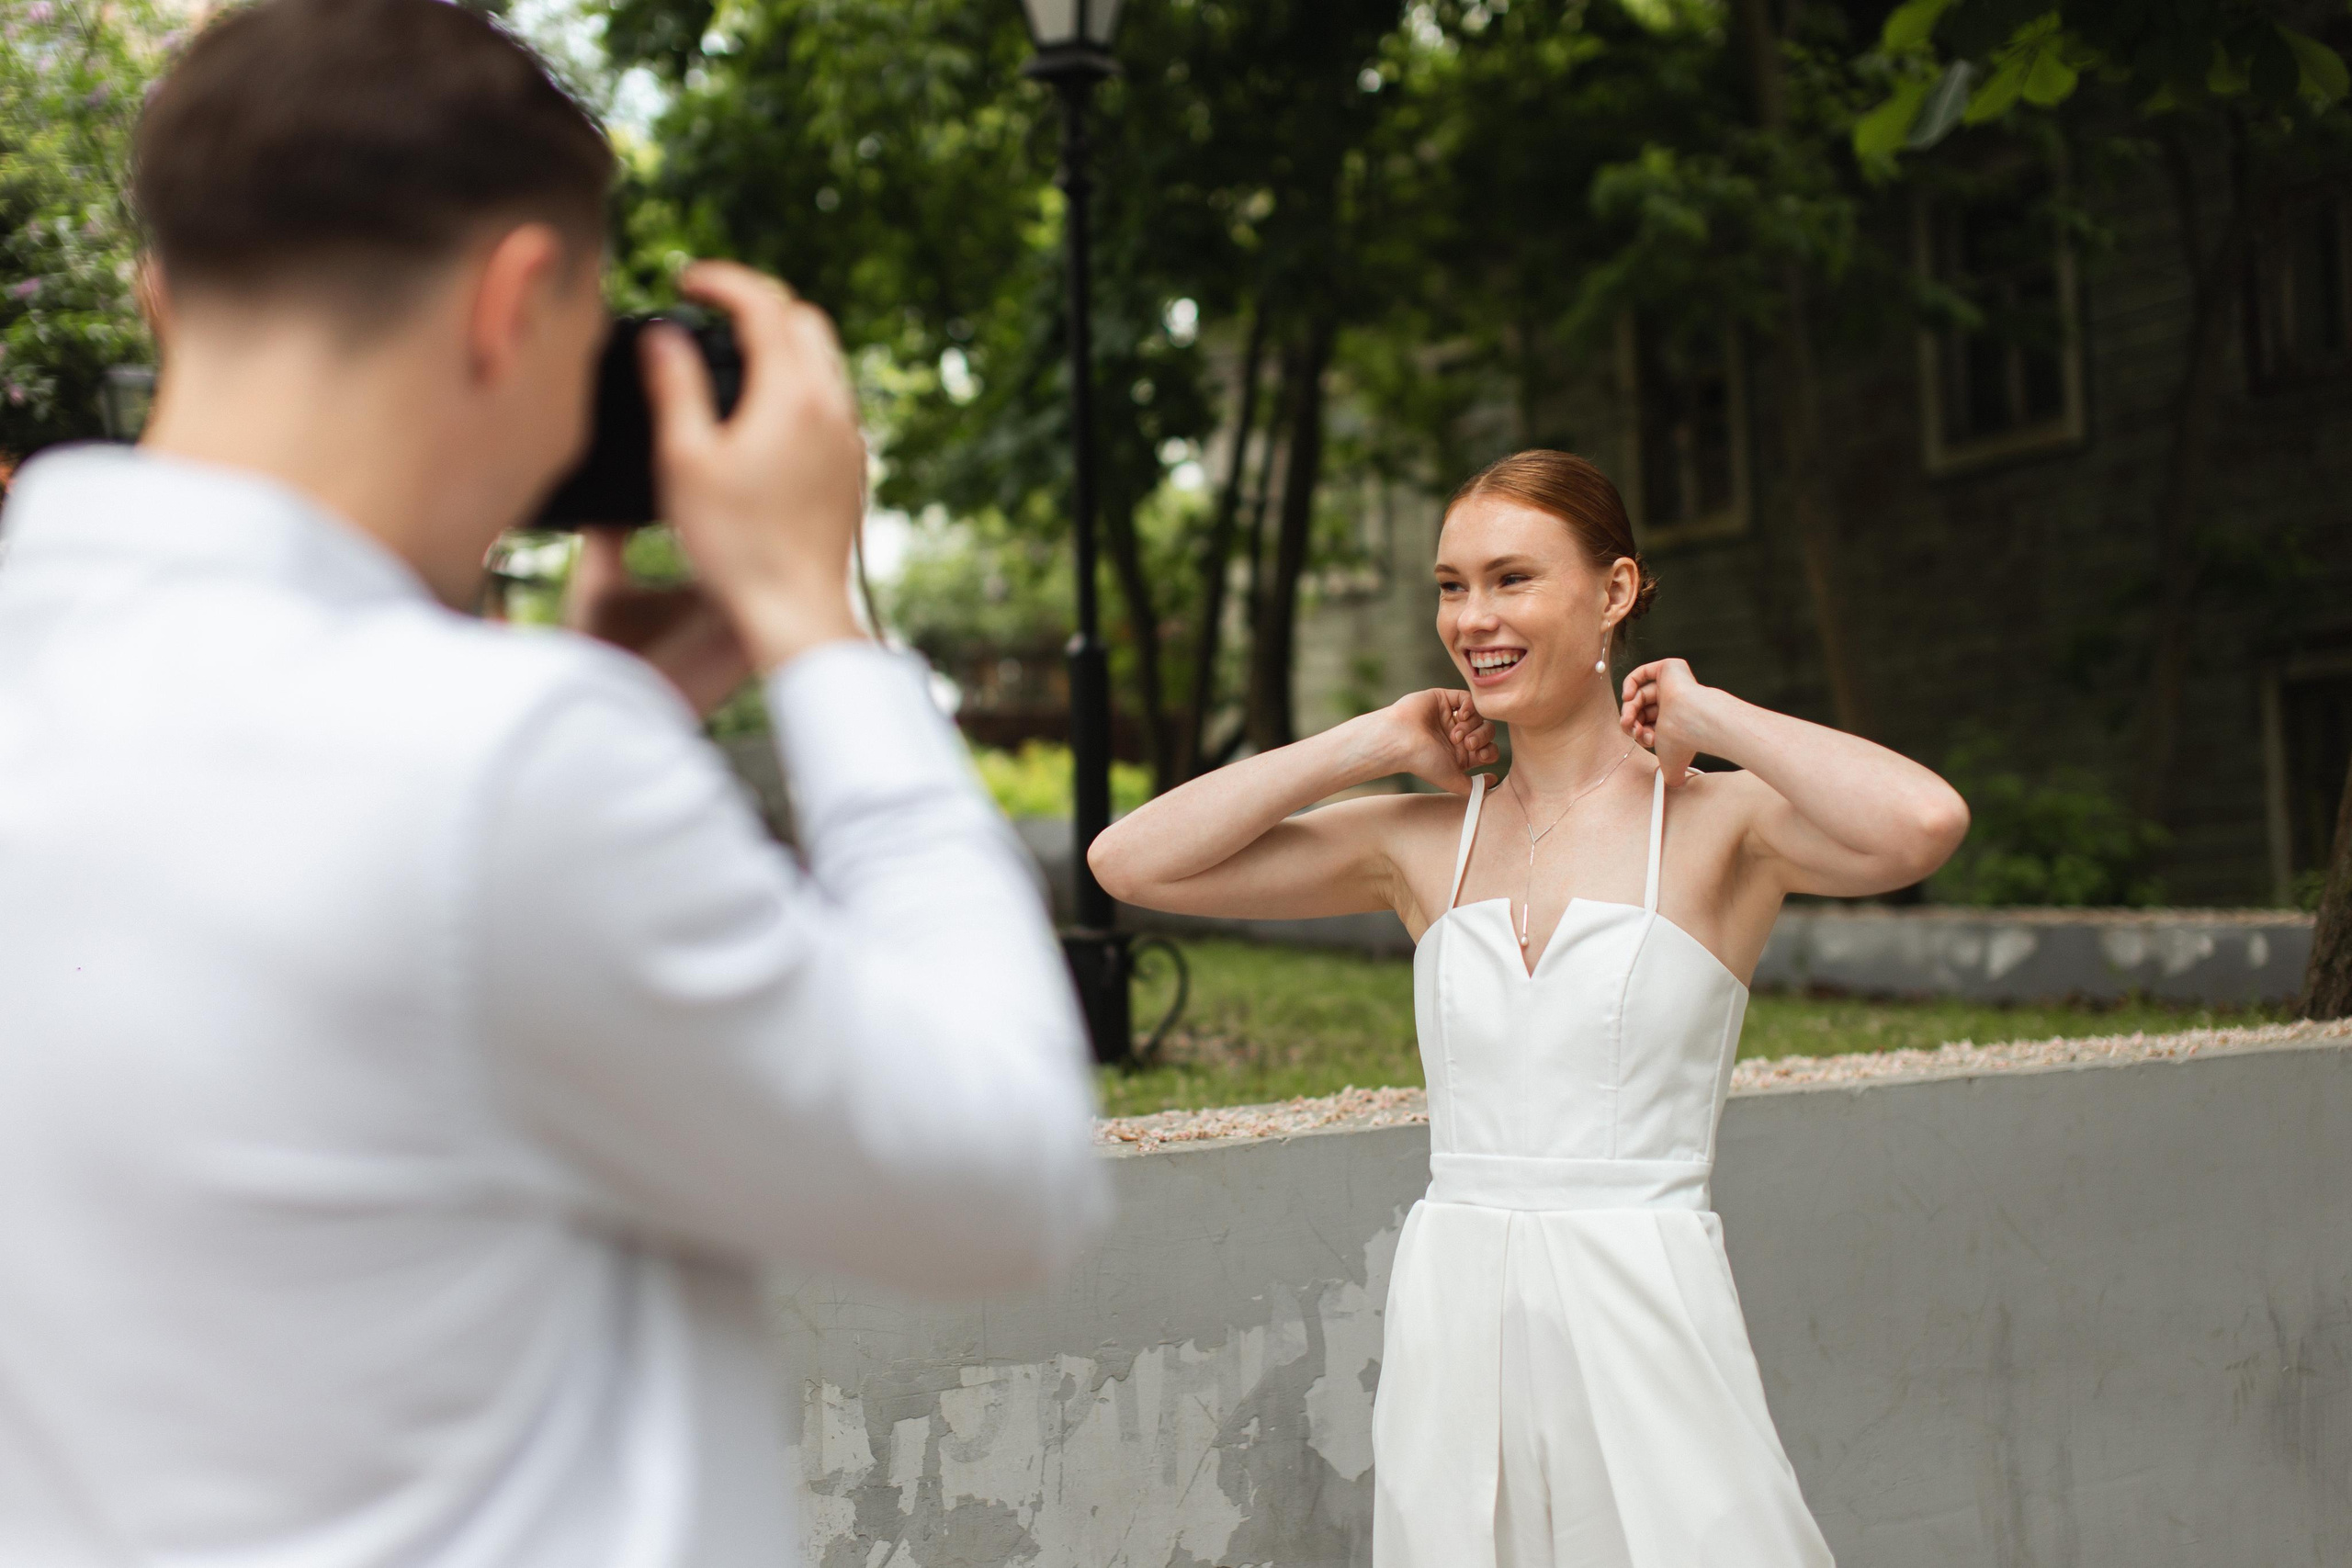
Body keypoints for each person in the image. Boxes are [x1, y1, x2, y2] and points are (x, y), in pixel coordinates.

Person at [0, 4, 1108, 1566]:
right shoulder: (501, 769)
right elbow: (1006, 1177)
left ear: (161, 302)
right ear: (517, 303)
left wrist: (610, 720)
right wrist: (819, 629)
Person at [1090, 449, 1971, 1567]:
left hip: (1643, 1307)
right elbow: (1129, 861)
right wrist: (1374, 742)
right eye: (1451, 585)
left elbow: (1922, 824)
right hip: (1456, 1316)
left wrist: (1717, 714)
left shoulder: (1714, 826)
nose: (1473, 616)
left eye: (1511, 579)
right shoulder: (1419, 843)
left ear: (1613, 593)